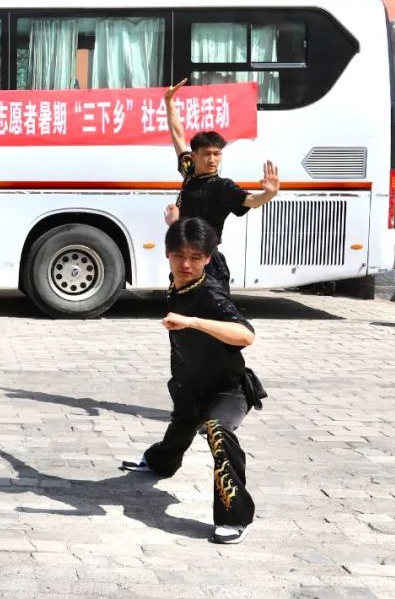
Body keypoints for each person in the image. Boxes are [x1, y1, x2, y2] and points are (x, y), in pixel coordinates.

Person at [121, 217, 267, 545]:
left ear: (207, 258)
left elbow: (246, 335)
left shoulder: (210, 295)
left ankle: (235, 517)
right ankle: (158, 462)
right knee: (181, 427)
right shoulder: (180, 281)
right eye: (179, 255)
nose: (186, 264)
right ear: (167, 254)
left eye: (195, 257)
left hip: (227, 389)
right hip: (190, 385)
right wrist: (177, 223)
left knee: (217, 429)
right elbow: (188, 244)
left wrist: (193, 322)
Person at [163, 79, 280, 288]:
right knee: (180, 305)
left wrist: (268, 194)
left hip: (207, 261)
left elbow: (252, 201)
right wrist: (169, 102)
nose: (212, 159)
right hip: (184, 258)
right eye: (207, 154)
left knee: (211, 306)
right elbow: (177, 134)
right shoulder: (189, 172)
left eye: (217, 154)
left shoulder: (223, 186)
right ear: (194, 155)